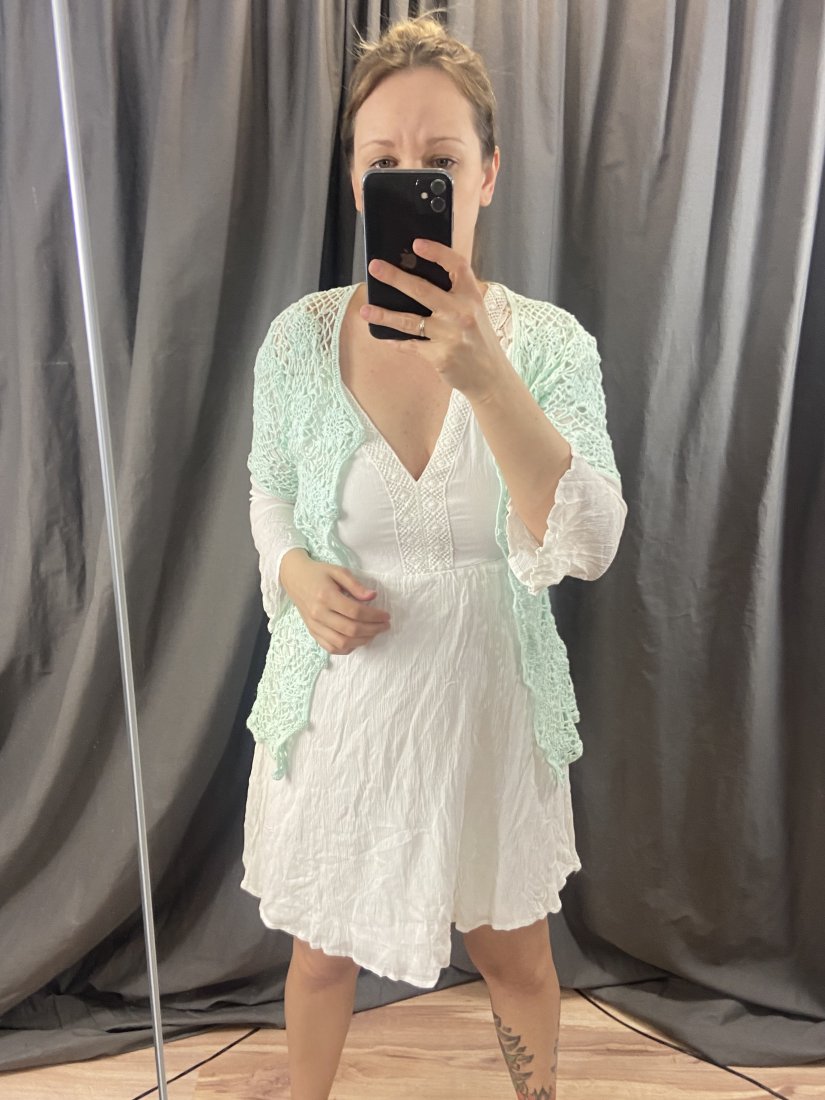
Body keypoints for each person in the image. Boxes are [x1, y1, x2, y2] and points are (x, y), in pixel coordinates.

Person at [241, 13, 627, 1100]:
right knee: (321, 955)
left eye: (441, 162)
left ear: (487, 175)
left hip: (487, 708)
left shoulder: (547, 345)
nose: (413, 180)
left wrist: (488, 375)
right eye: (385, 163)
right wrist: (293, 576)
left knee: (516, 958)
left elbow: (590, 540)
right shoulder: (299, 339)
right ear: (355, 182)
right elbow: (269, 492)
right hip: (345, 707)